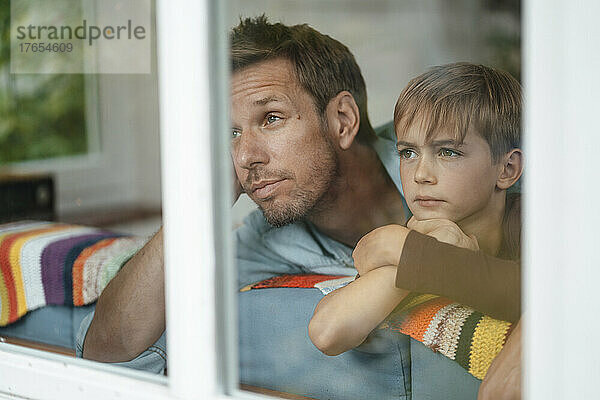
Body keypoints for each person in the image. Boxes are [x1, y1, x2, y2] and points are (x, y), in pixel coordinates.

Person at [76, 17, 515, 399]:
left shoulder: (462, 164)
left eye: (270, 119)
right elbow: (108, 350)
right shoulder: (265, 239)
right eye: (230, 133)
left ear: (342, 120)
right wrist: (198, 199)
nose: (246, 156)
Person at [308, 63, 523, 398]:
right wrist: (419, 251)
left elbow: (550, 294)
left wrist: (408, 252)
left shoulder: (539, 223)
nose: (421, 174)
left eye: (448, 152)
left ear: (507, 169)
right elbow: (328, 332)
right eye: (408, 153)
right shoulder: (420, 234)